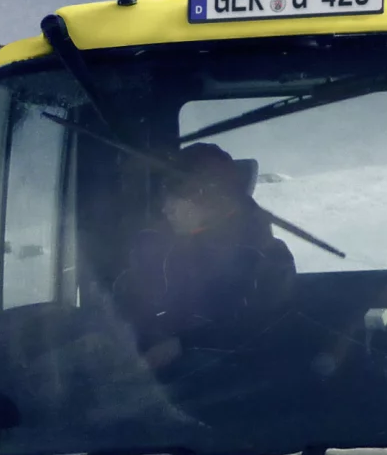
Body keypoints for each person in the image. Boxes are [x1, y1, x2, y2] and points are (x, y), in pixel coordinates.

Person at [112, 142, 295, 369]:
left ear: (209, 198)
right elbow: (145, 309)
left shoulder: (267, 260)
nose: (165, 209)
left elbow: (256, 335)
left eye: (174, 197)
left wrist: (181, 346)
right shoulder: (168, 248)